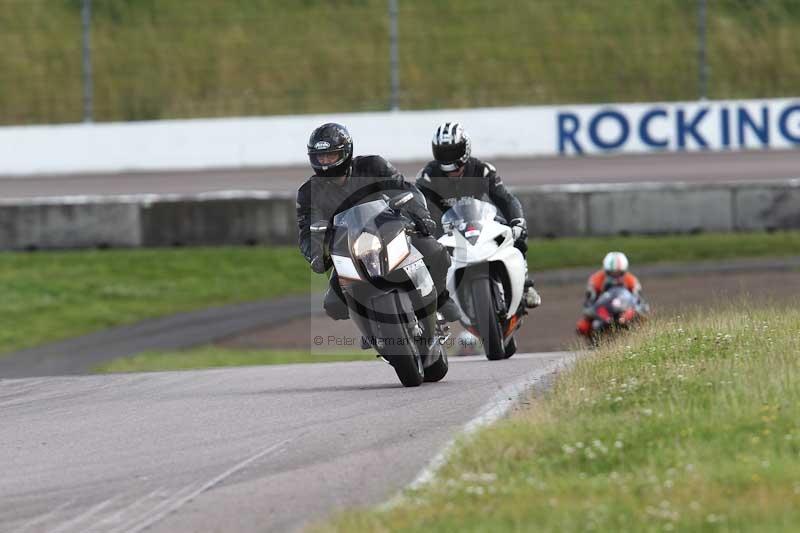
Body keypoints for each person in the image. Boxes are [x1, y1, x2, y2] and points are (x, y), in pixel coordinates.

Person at [296, 122, 461, 322]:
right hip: (348, 253)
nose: (325, 162)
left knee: (436, 252)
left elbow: (404, 189)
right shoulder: (309, 192)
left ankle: (440, 298)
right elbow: (307, 230)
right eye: (320, 157)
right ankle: (370, 327)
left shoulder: (373, 166)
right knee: (334, 305)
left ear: (345, 152)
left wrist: (421, 216)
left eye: (330, 155)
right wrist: (315, 255)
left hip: (391, 234)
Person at [415, 122, 541, 308]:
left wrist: (517, 222)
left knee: (516, 234)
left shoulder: (483, 170)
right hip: (446, 232)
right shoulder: (427, 176)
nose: (449, 160)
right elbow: (418, 207)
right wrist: (422, 229)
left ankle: (525, 285)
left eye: (453, 152)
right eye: (443, 153)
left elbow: (506, 199)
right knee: (423, 254)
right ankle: (437, 303)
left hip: (481, 223)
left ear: (465, 149)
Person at [576, 251, 643, 336]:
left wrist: (631, 312)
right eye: (612, 273)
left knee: (641, 321)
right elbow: (588, 306)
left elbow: (639, 304)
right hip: (603, 311)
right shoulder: (596, 280)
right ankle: (594, 341)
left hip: (625, 311)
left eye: (619, 273)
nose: (616, 277)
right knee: (583, 326)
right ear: (606, 271)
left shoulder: (632, 281)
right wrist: (597, 313)